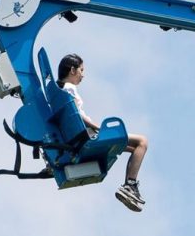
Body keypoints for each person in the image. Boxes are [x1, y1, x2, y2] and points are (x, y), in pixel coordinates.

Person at [57, 54, 149, 212]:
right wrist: (98, 127)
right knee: (142, 141)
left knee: (135, 149)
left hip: (80, 138)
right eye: (81, 70)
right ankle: (130, 185)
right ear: (72, 70)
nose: (83, 75)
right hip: (88, 137)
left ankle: (129, 187)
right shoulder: (69, 89)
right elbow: (76, 114)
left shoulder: (58, 91)